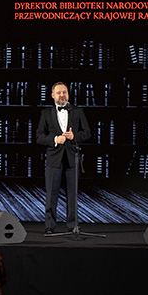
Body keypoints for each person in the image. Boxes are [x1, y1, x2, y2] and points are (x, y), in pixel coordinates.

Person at [35, 81, 91, 235]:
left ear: (68, 94)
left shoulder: (77, 112)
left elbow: (87, 133)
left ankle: (73, 225)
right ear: (53, 95)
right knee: (51, 194)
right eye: (59, 93)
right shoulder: (46, 114)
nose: (62, 95)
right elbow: (39, 136)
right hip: (54, 159)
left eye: (64, 92)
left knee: (72, 195)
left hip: (72, 158)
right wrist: (55, 140)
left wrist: (74, 136)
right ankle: (49, 226)